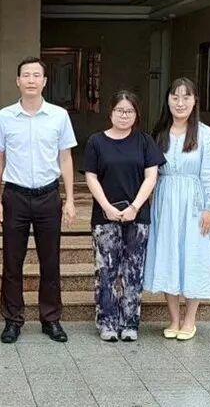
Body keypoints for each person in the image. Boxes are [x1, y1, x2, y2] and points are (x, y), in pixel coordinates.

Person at [0, 56, 77, 344]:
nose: (31, 80)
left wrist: (70, 199)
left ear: (44, 81)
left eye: (36, 75)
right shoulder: (4, 117)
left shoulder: (58, 116)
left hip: (48, 196)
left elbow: (65, 157)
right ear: (17, 81)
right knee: (12, 262)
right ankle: (12, 320)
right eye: (25, 75)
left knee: (50, 262)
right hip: (15, 196)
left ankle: (50, 319)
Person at [144, 77, 210, 341]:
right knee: (168, 254)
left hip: (194, 203)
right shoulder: (159, 133)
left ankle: (190, 319)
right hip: (165, 202)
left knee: (193, 255)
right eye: (175, 97)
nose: (180, 103)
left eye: (186, 97)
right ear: (167, 100)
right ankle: (174, 319)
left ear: (194, 101)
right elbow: (150, 173)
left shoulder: (204, 133)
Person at [84, 90, 164, 342]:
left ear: (136, 114)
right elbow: (91, 176)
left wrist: (135, 207)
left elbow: (151, 177)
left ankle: (130, 323)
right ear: (111, 112)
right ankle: (107, 322)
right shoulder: (96, 142)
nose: (124, 115)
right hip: (104, 216)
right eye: (120, 110)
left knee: (133, 271)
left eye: (129, 111)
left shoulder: (145, 141)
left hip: (137, 217)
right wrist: (106, 206)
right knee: (105, 271)